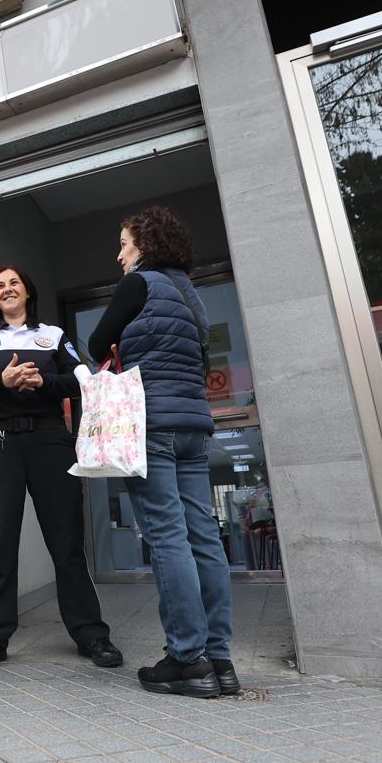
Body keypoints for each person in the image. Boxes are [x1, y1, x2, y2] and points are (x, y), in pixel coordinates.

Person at [87, 205, 237, 698]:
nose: (118, 254)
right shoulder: (191, 294)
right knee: (204, 539)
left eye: (124, 243)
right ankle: (220, 659)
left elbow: (97, 340)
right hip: (193, 427)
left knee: (168, 538)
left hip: (151, 425)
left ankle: (185, 658)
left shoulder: (140, 283)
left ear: (145, 246)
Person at [0, 265, 122, 670]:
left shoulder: (54, 336)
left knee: (66, 541)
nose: (7, 289)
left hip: (50, 441)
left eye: (14, 283)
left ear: (28, 291)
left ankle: (91, 634)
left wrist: (43, 382)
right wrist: (4, 381)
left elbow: (80, 380)